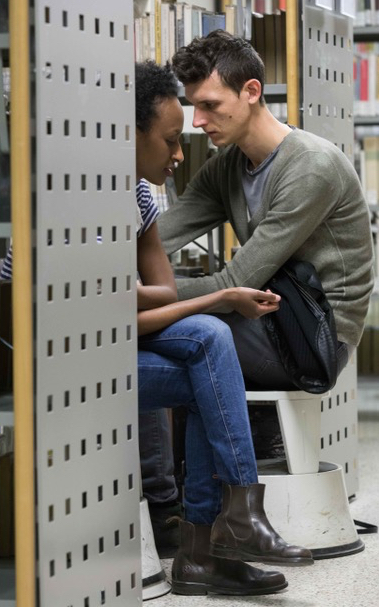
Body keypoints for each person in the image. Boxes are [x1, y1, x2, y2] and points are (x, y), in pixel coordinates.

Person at [134, 60, 313, 597]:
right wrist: (219, 296)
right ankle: (209, 542)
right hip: (65, 359)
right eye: (170, 139)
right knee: (215, 357)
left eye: (208, 108)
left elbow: (159, 294)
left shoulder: (142, 198)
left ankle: (217, 535)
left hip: (126, 341)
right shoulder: (65, 201)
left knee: (213, 343)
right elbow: (70, 314)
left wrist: (117, 296)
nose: (180, 153)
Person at [156, 29, 374, 397]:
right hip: (266, 321)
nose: (197, 121)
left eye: (209, 105)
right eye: (195, 106)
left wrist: (131, 298)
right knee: (143, 340)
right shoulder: (225, 167)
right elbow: (158, 237)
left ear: (251, 92)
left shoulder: (311, 167)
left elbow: (230, 287)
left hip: (315, 340)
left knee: (153, 335)